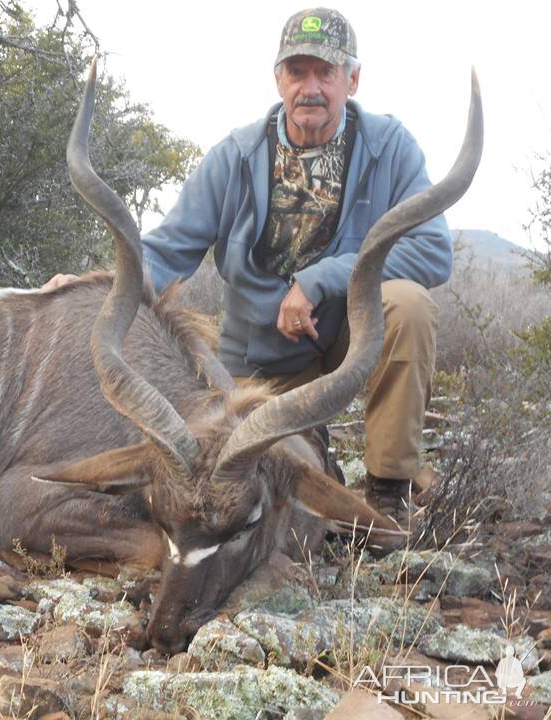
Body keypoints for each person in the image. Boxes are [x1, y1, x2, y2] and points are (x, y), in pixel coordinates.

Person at [44, 7, 451, 525]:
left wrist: (320, 280)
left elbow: (433, 250)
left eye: (325, 72)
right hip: (256, 367)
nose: (311, 87)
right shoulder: (235, 156)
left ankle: (388, 490)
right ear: (277, 77)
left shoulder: (390, 148)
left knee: (409, 306)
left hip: (349, 343)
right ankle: (315, 450)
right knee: (238, 474)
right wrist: (94, 289)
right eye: (297, 71)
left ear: (352, 79)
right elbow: (166, 254)